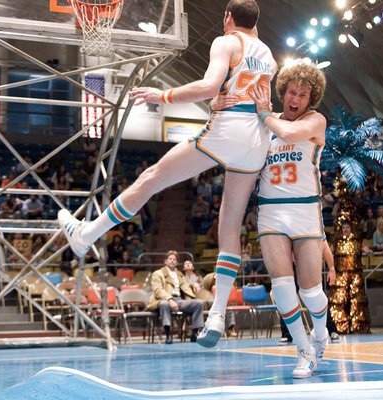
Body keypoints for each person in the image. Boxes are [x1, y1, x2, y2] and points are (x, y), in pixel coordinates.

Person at [58, 0, 277, 347]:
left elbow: (210, 86)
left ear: (228, 18)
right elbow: (240, 93)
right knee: (230, 226)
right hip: (258, 140)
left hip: (230, 130)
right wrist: (216, 100)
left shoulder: (226, 41)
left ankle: (87, 234)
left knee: (152, 178)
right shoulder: (268, 56)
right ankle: (217, 315)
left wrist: (163, 96)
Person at [210, 59, 328, 377]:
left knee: (310, 291)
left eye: (302, 94)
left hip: (305, 210)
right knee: (283, 287)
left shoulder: (315, 121)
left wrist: (264, 115)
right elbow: (227, 126)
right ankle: (304, 351)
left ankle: (320, 333)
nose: (295, 99)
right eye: (291, 92)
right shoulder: (266, 121)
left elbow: (288, 133)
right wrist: (213, 104)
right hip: (271, 211)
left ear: (311, 98)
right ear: (282, 92)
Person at [146, 251, 204, 344]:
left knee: (199, 303)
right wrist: (170, 299)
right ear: (165, 261)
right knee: (164, 304)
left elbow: (186, 285)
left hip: (179, 300)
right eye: (170, 259)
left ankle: (194, 334)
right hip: (164, 299)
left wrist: (194, 284)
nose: (172, 261)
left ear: (177, 263)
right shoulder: (158, 273)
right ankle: (168, 335)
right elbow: (158, 290)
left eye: (174, 259)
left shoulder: (179, 274)